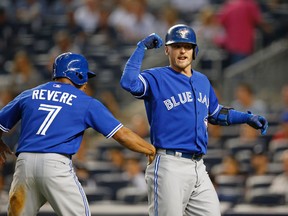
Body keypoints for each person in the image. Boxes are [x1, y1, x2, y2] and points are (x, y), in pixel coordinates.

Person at [120, 24, 268, 216]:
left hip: (198, 166)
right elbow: (128, 82)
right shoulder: (157, 77)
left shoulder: (202, 81)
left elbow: (216, 114)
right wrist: (141, 47)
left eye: (187, 46)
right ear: (167, 50)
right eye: (177, 46)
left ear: (195, 51)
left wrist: (247, 117)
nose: (182, 51)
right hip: (169, 164)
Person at [0, 52, 156, 216]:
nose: (86, 83)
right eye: (85, 76)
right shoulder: (85, 101)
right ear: (78, 75)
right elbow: (122, 135)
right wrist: (150, 149)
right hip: (55, 165)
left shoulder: (29, 94)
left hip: (24, 164)